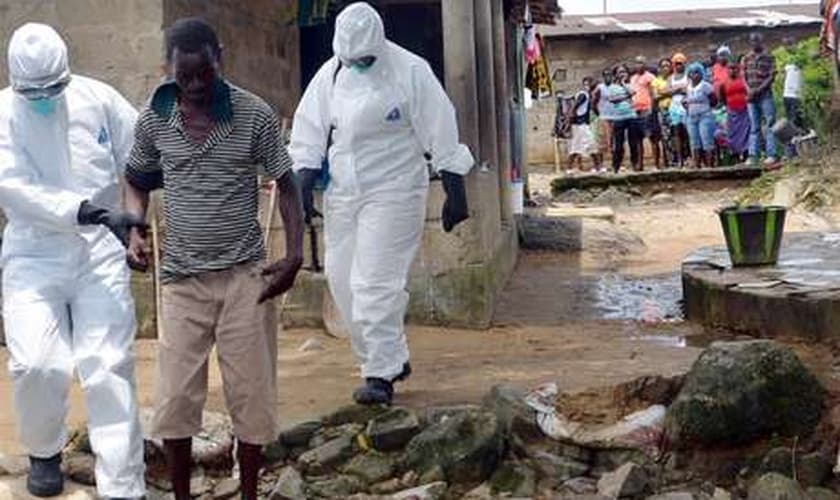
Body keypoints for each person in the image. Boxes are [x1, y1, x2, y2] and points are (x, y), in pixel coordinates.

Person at [122, 18, 305, 500]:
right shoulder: (154, 117)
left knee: (252, 396)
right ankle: (182, 495)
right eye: (187, 76)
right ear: (170, 68)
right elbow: (137, 179)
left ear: (219, 57)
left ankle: (248, 492)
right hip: (182, 281)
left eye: (206, 72)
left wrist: (294, 255)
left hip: (247, 276)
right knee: (176, 399)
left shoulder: (254, 114)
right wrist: (134, 228)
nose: (198, 85)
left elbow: (287, 186)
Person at [289, 2, 473, 406]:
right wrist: (302, 182)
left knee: (374, 282)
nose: (359, 65)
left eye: (365, 59)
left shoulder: (411, 71)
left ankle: (379, 373)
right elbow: (308, 130)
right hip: (344, 191)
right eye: (352, 59)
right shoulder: (332, 73)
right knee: (341, 280)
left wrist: (454, 190)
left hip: (395, 190)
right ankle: (390, 356)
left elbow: (440, 129)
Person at [0, 23, 146, 499]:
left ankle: (123, 486)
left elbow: (139, 159)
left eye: (53, 88)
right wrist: (88, 211)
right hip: (33, 252)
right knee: (37, 363)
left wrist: (136, 225)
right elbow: (15, 190)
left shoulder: (100, 99)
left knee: (108, 365)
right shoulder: (2, 114)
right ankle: (44, 450)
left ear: (67, 71)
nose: (44, 97)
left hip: (101, 252)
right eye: (33, 92)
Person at [744, 32, 778, 166]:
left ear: (761, 41)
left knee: (770, 124)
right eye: (753, 41)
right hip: (751, 97)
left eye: (757, 41)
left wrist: (758, 90)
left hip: (765, 95)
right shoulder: (746, 58)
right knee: (754, 127)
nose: (755, 43)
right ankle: (753, 155)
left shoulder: (769, 57)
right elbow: (744, 76)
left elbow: (771, 76)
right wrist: (749, 90)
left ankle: (771, 154)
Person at [608, 65, 642, 173]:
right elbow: (613, 99)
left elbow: (632, 93)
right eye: (620, 72)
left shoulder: (630, 84)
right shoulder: (612, 87)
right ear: (616, 75)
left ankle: (634, 164)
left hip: (631, 116)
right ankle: (616, 166)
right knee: (618, 144)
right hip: (618, 118)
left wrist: (623, 84)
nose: (622, 74)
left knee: (633, 142)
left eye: (624, 72)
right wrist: (626, 97)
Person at [684, 62, 718, 168]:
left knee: (706, 140)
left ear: (701, 73)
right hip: (691, 117)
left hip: (705, 116)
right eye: (692, 73)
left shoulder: (705, 86)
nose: (694, 75)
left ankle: (709, 166)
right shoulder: (688, 87)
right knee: (694, 141)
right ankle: (697, 165)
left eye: (697, 72)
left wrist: (706, 108)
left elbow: (714, 100)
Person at [630, 55, 660, 169]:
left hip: (647, 110)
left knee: (652, 137)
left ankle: (656, 164)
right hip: (635, 110)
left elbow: (654, 94)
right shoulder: (632, 78)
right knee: (638, 139)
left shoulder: (650, 77)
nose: (639, 65)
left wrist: (652, 109)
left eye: (641, 63)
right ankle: (640, 164)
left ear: (645, 64)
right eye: (637, 63)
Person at [566, 77, 601, 172]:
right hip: (581, 124)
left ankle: (569, 168)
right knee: (590, 144)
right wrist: (570, 120)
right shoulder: (583, 94)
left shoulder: (586, 95)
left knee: (577, 146)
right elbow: (575, 106)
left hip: (580, 124)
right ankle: (598, 167)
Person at [720, 61, 751, 162]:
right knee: (732, 134)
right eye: (730, 68)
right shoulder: (723, 83)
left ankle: (746, 154)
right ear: (727, 70)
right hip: (732, 112)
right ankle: (736, 156)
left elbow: (748, 93)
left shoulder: (743, 80)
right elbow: (722, 97)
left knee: (745, 132)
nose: (732, 70)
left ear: (738, 69)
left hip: (744, 111)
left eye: (734, 68)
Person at [668, 53, 691, 167]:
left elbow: (688, 90)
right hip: (674, 107)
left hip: (686, 106)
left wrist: (675, 90)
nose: (678, 66)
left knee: (688, 132)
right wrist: (679, 89)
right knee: (676, 132)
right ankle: (680, 159)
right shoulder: (671, 77)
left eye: (680, 64)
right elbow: (668, 91)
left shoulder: (688, 76)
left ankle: (690, 156)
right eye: (676, 64)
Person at [782, 38, 804, 157]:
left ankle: (797, 150)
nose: (788, 47)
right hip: (787, 95)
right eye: (786, 45)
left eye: (790, 44)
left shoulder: (801, 59)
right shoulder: (787, 62)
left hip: (797, 95)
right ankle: (792, 151)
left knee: (796, 122)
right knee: (790, 122)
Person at [592, 68, 616, 167]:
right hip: (603, 117)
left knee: (615, 141)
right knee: (601, 142)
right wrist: (599, 114)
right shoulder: (599, 87)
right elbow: (593, 102)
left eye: (609, 75)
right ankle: (600, 165)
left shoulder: (616, 87)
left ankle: (616, 164)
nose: (608, 77)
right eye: (605, 75)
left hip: (614, 117)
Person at [652, 58, 673, 168]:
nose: (665, 68)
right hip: (663, 111)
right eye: (663, 66)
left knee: (678, 135)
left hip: (676, 109)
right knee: (666, 137)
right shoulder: (656, 81)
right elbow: (655, 96)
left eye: (668, 66)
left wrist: (664, 92)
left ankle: (681, 160)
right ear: (659, 69)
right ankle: (668, 162)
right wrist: (671, 92)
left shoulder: (674, 78)